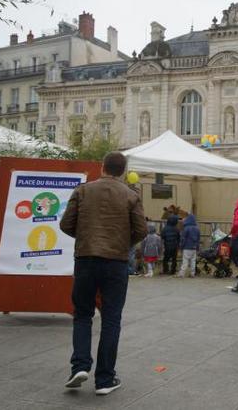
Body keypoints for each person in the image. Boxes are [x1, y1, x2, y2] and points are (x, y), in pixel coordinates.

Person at [60, 151, 146, 395]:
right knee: (111, 318)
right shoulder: (131, 195)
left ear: (102, 167)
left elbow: (66, 224)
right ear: (123, 170)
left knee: (82, 314)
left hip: (86, 259)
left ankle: (79, 365)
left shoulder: (83, 191)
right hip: (116, 262)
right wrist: (121, 242)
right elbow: (141, 230)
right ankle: (105, 379)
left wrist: (86, 238)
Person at [177, 213, 200, 278]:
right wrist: (197, 247)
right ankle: (192, 273)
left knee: (185, 260)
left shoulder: (186, 228)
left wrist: (181, 246)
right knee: (193, 261)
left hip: (187, 247)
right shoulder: (197, 228)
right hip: (194, 248)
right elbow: (198, 239)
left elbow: (183, 238)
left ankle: (182, 273)